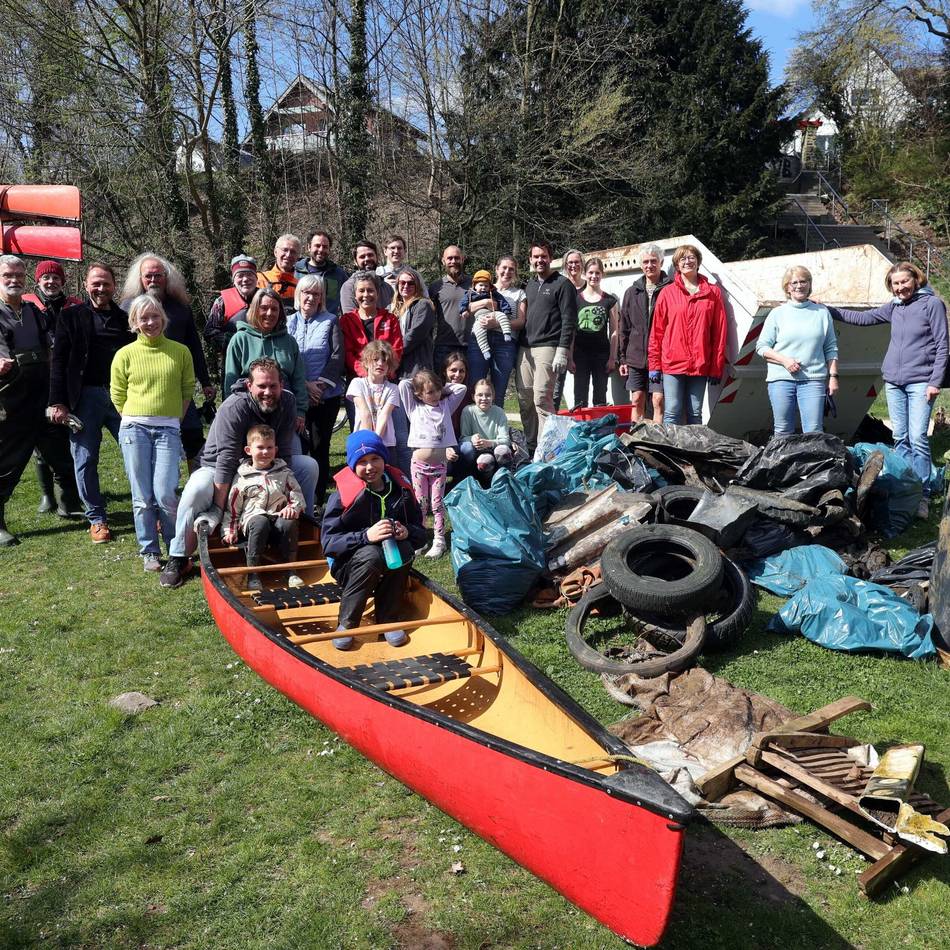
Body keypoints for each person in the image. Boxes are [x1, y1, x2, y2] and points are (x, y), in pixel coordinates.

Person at [159, 358, 318, 589]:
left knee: (308, 466)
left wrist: (286, 493)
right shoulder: (234, 407)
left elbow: (284, 453)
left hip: (264, 463)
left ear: (281, 384)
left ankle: (298, 529)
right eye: (261, 386)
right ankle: (179, 555)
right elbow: (226, 461)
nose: (268, 392)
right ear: (249, 385)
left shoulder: (288, 402)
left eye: (273, 386)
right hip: (221, 465)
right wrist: (218, 508)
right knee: (196, 488)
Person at [826, 261, 948, 519]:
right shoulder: (894, 308)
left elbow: (942, 346)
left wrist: (935, 381)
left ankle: (923, 494)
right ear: (890, 287)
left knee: (917, 437)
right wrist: (827, 309)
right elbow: (862, 318)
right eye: (896, 283)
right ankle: (905, 487)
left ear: (915, 280)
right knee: (901, 437)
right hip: (893, 381)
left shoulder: (932, 305)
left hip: (920, 382)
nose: (901, 287)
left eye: (905, 281)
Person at [49, 263, 135, 543]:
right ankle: (97, 519)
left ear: (114, 286)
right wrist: (58, 402)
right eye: (95, 283)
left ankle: (146, 510)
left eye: (106, 284)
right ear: (85, 285)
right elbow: (59, 361)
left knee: (135, 456)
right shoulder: (71, 317)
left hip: (123, 397)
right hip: (84, 397)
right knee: (85, 459)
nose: (101, 288)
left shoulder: (126, 319)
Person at [110, 294, 195, 571]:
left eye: (155, 316)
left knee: (165, 494)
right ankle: (149, 550)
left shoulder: (180, 351)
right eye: (143, 318)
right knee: (142, 497)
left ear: (163, 318)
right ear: (134, 322)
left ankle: (176, 548)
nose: (150, 322)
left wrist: (174, 419)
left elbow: (186, 389)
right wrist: (133, 418)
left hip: (168, 429)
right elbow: (117, 393)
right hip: (134, 429)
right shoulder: (124, 355)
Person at [0, 255, 80, 546]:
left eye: (19, 275)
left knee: (58, 454)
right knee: (7, 464)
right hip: (11, 400)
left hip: (43, 396)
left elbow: (54, 342)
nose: (14, 280)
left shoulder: (34, 310)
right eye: (8, 274)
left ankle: (67, 504)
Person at [322, 430, 425, 650]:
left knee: (405, 549)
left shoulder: (401, 490)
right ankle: (347, 623)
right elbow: (329, 543)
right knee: (370, 555)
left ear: (384, 459)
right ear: (352, 465)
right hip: (349, 567)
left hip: (390, 562)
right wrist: (365, 536)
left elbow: (421, 534)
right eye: (361, 462)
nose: (370, 467)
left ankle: (388, 618)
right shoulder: (341, 497)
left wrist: (407, 532)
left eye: (375, 459)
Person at [121, 252, 214, 465]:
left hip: (179, 385)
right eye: (148, 276)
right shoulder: (127, 308)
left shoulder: (180, 307)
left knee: (192, 435)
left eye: (158, 275)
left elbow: (194, 346)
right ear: (140, 279)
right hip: (145, 389)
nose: (153, 280)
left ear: (167, 277)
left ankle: (196, 488)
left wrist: (205, 380)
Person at [20, 259, 83, 517]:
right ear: (38, 280)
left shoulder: (75, 306)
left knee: (72, 434)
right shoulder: (26, 305)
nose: (51, 282)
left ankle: (72, 493)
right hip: (38, 379)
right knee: (42, 438)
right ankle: (47, 495)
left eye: (56, 278)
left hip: (69, 378)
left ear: (63, 281)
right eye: (46, 278)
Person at [648, 243, 727, 426]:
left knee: (695, 412)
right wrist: (654, 365)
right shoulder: (667, 293)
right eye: (682, 258)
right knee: (672, 411)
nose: (687, 261)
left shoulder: (713, 293)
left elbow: (719, 332)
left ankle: (692, 453)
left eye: (691, 257)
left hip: (700, 363)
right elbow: (657, 333)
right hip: (672, 363)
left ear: (698, 262)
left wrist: (716, 367)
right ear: (676, 265)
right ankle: (670, 453)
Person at [755, 266, 839, 437]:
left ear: (809, 284)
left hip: (813, 379)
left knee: (814, 431)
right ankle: (783, 464)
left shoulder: (822, 313)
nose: (799, 286)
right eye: (794, 283)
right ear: (787, 287)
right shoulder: (777, 314)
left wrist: (833, 378)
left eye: (803, 281)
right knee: (783, 430)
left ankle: (813, 464)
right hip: (781, 380)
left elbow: (831, 347)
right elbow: (761, 347)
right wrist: (784, 360)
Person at [221, 424, 305, 591]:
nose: (265, 452)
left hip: (277, 521)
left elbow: (298, 497)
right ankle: (253, 573)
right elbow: (233, 508)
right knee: (260, 521)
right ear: (248, 450)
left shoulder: (284, 473)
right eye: (260, 447)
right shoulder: (242, 478)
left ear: (276, 449)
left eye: (269, 447)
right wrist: (229, 531)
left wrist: (293, 508)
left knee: (289, 522)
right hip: (254, 523)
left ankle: (290, 570)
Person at [287, 275, 344, 507]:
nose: (311, 298)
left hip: (325, 396)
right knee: (297, 447)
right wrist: (303, 386)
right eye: (306, 293)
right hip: (295, 396)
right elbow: (285, 358)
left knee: (320, 447)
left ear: (321, 298)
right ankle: (295, 498)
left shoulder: (331, 320)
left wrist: (319, 385)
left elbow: (337, 355)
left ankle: (318, 500)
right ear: (298, 296)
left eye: (316, 294)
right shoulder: (288, 321)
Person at [398, 369, 468, 558]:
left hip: (439, 467)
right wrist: (421, 382)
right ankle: (420, 538)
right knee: (421, 504)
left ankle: (439, 540)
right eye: (430, 392)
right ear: (419, 394)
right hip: (419, 467)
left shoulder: (446, 405)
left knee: (437, 505)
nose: (435, 394)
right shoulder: (413, 408)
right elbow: (403, 385)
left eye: (437, 390)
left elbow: (461, 388)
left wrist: (438, 385)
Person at [517, 240, 577, 454]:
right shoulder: (529, 285)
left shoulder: (562, 285)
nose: (540, 260)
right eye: (536, 257)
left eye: (544, 256)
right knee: (525, 401)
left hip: (548, 347)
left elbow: (570, 319)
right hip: (525, 348)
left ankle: (547, 451)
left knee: (542, 398)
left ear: (551, 258)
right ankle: (532, 447)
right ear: (530, 260)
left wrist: (563, 350)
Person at [224, 288, 308, 427]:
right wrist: (231, 413)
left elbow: (298, 379)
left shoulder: (289, 342)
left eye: (274, 309)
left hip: (285, 412)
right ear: (255, 309)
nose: (269, 313)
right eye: (264, 308)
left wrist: (300, 412)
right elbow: (230, 382)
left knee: (293, 448)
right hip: (249, 410)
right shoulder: (240, 339)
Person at [619, 244, 672, 422]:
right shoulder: (632, 292)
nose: (649, 265)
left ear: (661, 262)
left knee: (658, 400)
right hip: (636, 357)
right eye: (646, 262)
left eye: (653, 261)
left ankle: (657, 440)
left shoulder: (670, 289)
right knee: (637, 399)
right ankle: (635, 439)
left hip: (660, 358)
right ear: (641, 265)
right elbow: (624, 327)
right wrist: (623, 358)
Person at [478, 255, 527, 407]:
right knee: (476, 386)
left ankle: (497, 428)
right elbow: (469, 307)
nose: (507, 271)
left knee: (498, 391)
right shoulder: (484, 288)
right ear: (497, 269)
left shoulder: (519, 294)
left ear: (515, 272)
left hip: (505, 344)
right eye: (504, 268)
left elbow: (520, 322)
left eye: (511, 269)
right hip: (482, 340)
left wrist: (497, 324)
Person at [571, 257, 619, 407]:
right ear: (584, 274)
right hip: (580, 355)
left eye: (597, 273)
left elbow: (614, 331)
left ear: (602, 274)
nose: (594, 276)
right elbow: (571, 331)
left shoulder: (610, 300)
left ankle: (600, 429)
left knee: (600, 397)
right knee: (579, 398)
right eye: (591, 272)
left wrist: (612, 358)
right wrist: (569, 356)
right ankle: (581, 428)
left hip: (601, 355)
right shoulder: (576, 299)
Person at [204, 254, 259, 379]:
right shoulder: (221, 301)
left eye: (250, 274)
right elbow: (209, 332)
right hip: (232, 363)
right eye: (240, 275)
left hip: (263, 363)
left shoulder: (266, 299)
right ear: (234, 280)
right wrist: (234, 342)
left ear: (256, 278)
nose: (245, 279)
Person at [347, 340, 400, 456]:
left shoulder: (393, 388)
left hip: (385, 443)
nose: (380, 364)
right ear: (366, 362)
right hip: (363, 441)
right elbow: (365, 413)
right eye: (375, 360)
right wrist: (368, 444)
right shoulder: (357, 383)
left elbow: (384, 416)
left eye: (385, 361)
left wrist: (376, 443)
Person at [459, 379, 512, 479]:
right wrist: (472, 438)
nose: (484, 398)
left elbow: (506, 440)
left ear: (493, 397)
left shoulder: (499, 412)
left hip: (495, 449)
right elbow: (463, 438)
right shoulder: (468, 411)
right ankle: (485, 480)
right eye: (480, 395)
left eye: (488, 395)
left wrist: (489, 443)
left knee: (503, 451)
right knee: (485, 461)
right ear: (473, 397)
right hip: (478, 452)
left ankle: (505, 478)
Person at [429, 245, 472, 369]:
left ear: (462, 259)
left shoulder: (474, 284)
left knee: (469, 387)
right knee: (440, 386)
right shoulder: (436, 287)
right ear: (443, 261)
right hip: (443, 345)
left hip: (470, 346)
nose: (453, 261)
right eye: (450, 258)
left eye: (457, 258)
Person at [391, 267, 435, 378]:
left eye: (411, 283)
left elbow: (415, 334)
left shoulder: (423, 305)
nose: (406, 286)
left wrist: (393, 353)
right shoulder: (392, 309)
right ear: (397, 285)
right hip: (397, 367)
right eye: (402, 282)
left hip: (417, 366)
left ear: (417, 286)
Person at [460, 268, 513, 362]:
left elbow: (502, 301)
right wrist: (463, 310)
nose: (483, 288)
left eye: (486, 286)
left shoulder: (493, 293)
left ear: (490, 287)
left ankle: (507, 333)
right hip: (479, 318)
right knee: (478, 331)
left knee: (503, 317)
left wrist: (506, 310)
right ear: (475, 285)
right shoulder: (469, 294)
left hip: (493, 313)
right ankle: (485, 350)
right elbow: (463, 303)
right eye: (481, 285)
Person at [294, 230, 349, 316]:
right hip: (301, 324)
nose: (321, 250)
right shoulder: (296, 271)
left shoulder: (338, 274)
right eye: (317, 246)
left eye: (325, 247)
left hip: (329, 325)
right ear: (309, 247)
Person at [339, 240, 394, 313]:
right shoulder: (348, 287)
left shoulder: (386, 287)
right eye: (362, 256)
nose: (367, 259)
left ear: (376, 257)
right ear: (355, 261)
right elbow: (350, 319)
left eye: (370, 255)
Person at [257, 234, 301, 313]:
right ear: (275, 252)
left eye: (293, 252)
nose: (288, 255)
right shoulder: (260, 279)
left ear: (297, 256)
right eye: (285, 250)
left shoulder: (300, 285)